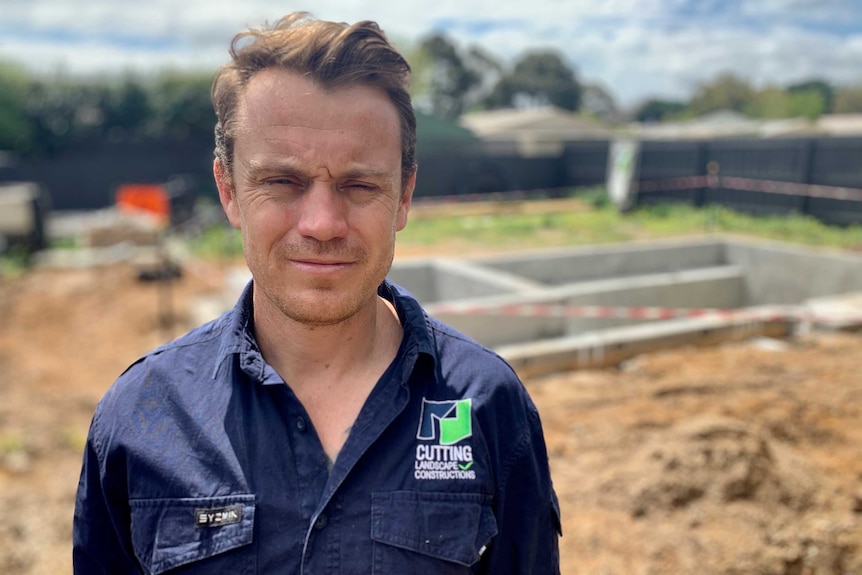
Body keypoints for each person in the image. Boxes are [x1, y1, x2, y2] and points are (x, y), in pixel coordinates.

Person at [73, 12, 560, 574]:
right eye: (283, 182)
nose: (323, 223)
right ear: (228, 191)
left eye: (359, 184)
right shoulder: (140, 417)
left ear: (404, 198)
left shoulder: (490, 407)